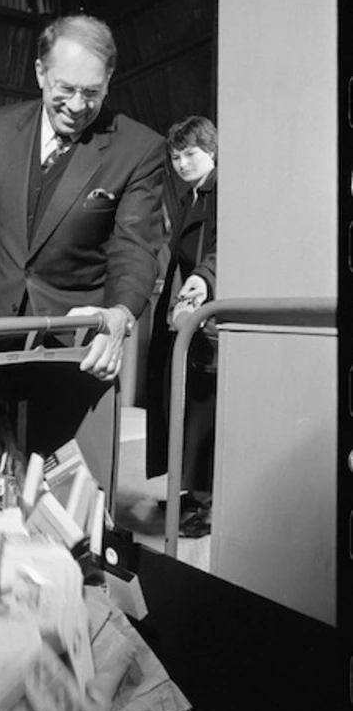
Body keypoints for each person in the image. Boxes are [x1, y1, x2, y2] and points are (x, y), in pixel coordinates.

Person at [0, 14, 165, 453]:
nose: (77, 106)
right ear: (40, 73)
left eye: (92, 92)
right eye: (65, 88)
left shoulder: (139, 149)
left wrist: (119, 314)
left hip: (75, 344)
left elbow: (134, 249)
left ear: (109, 81)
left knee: (67, 482)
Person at [145, 116, 218, 539]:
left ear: (211, 149)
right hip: (190, 315)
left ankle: (207, 505)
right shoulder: (194, 196)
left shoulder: (222, 191)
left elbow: (224, 244)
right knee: (187, 406)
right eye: (176, 156)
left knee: (205, 410)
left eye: (190, 153)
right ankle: (194, 491)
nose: (182, 162)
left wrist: (205, 277)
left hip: (209, 319)